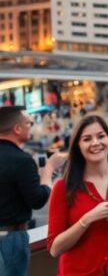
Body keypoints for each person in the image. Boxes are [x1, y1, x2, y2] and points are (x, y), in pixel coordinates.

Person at [46, 115, 108, 275]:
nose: (95, 143)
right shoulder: (63, 187)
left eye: (101, 136)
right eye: (87, 139)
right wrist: (87, 219)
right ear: (78, 146)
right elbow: (55, 249)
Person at [0, 106, 66, 276]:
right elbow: (37, 200)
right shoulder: (22, 161)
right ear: (17, 128)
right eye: (28, 123)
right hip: (10, 239)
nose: (31, 126)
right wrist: (49, 169)